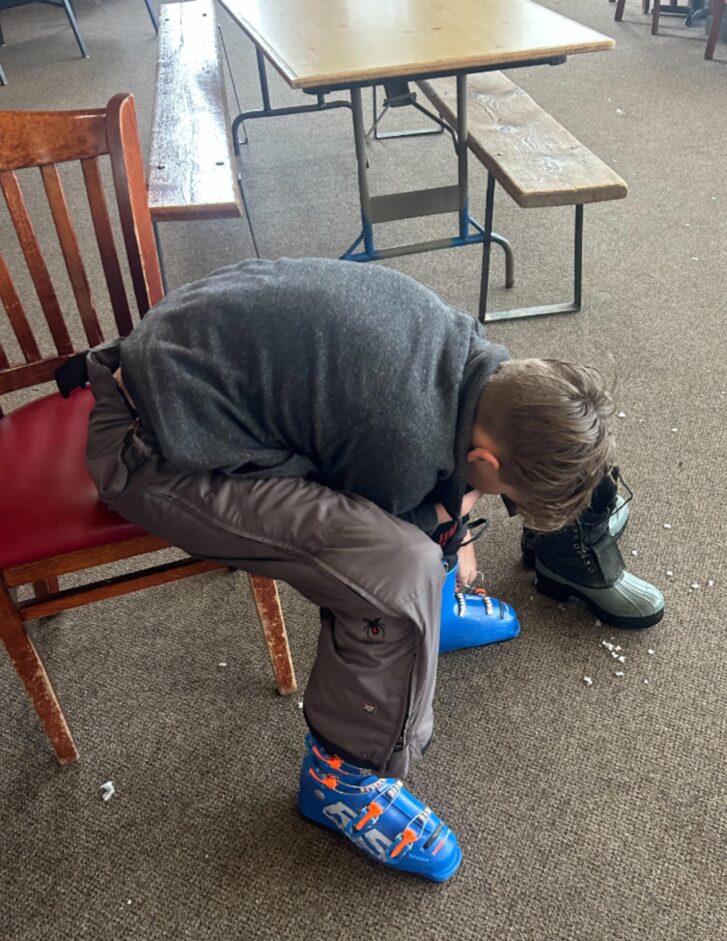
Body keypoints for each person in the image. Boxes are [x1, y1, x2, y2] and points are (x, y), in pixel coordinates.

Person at [80, 257, 663, 883]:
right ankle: (344, 782)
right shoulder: (403, 440)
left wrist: (450, 512)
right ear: (487, 460)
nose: (503, 504)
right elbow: (386, 530)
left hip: (184, 366)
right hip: (147, 452)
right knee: (393, 575)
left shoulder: (476, 365)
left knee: (427, 518)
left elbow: (425, 481)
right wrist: (443, 524)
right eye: (509, 496)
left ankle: (435, 611)